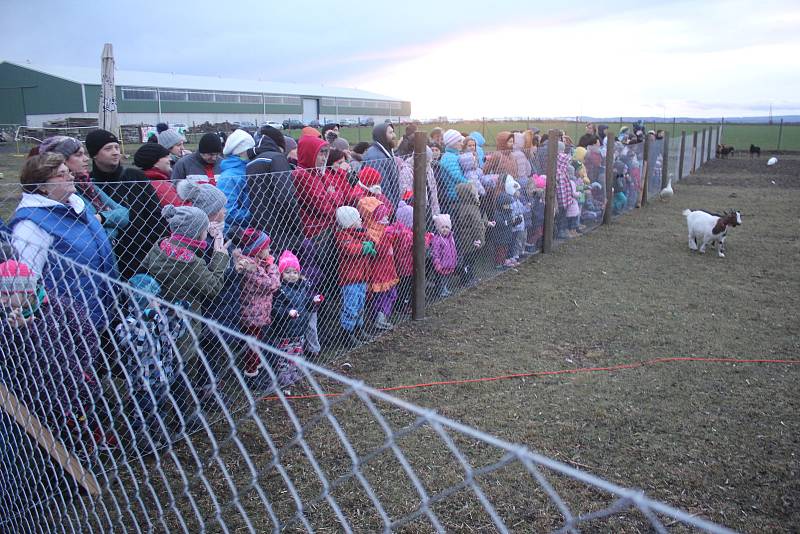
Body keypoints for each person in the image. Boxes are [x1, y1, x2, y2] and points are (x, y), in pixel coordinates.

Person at [0, 259, 111, 454]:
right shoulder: (6, 319)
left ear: (28, 291)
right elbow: (8, 354)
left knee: (73, 439)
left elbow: (89, 339)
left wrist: (77, 368)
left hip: (68, 387)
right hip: (28, 394)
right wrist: (14, 330)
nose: (4, 300)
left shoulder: (63, 308)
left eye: (8, 294)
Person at [10, 153, 118, 329]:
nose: (70, 177)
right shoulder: (31, 225)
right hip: (65, 323)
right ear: (42, 186)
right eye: (61, 174)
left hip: (100, 311)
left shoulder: (78, 208)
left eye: (68, 172)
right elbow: (27, 278)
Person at [85, 129, 166, 280]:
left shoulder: (135, 177)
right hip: (108, 256)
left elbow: (155, 213)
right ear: (94, 154)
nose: (115, 152)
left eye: (116, 147)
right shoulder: (88, 185)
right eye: (108, 148)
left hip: (143, 255)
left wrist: (153, 246)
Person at [37, 136, 130, 241]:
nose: (86, 158)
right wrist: (113, 226)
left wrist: (101, 218)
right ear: (62, 160)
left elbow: (124, 213)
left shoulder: (87, 185)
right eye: (78, 155)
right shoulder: (63, 193)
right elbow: (94, 234)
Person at [230, 228, 280, 388]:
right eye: (267, 248)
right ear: (257, 250)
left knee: (254, 344)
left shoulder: (254, 263)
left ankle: (255, 369)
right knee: (253, 347)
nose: (270, 251)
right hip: (253, 316)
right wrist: (272, 266)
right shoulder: (250, 268)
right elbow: (273, 284)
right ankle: (251, 376)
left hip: (256, 313)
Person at [246, 126, 304, 254]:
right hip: (282, 228)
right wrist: (297, 225)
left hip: (262, 228)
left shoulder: (251, 162)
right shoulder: (277, 158)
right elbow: (285, 196)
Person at [270, 250, 321, 384]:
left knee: (297, 351)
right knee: (285, 353)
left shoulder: (302, 287)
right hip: (285, 330)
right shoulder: (280, 290)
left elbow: (306, 305)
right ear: (281, 274)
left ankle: (293, 371)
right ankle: (283, 374)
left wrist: (313, 301)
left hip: (300, 328)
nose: (292, 275)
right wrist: (287, 313)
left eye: (295, 272)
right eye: (287, 272)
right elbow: (276, 309)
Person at [334, 206, 374, 346]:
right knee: (350, 306)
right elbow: (350, 249)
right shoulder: (342, 235)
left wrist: (368, 243)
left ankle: (359, 328)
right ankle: (347, 333)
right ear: (349, 222)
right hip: (350, 279)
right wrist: (364, 247)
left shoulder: (359, 233)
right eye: (357, 219)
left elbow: (369, 240)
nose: (360, 220)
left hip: (362, 276)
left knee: (360, 303)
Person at [357, 196, 397, 330]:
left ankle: (382, 316)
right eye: (382, 217)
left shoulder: (382, 229)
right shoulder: (370, 233)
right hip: (379, 271)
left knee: (391, 294)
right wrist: (388, 237)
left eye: (386, 216)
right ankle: (379, 319)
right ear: (372, 217)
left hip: (388, 269)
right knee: (381, 296)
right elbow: (379, 251)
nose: (386, 219)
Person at [217, 129, 256, 232]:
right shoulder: (228, 178)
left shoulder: (249, 170)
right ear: (242, 152)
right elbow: (228, 212)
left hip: (249, 229)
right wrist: (257, 215)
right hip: (236, 233)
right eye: (251, 149)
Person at [454, 182, 490, 284]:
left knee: (467, 259)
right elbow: (477, 225)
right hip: (472, 239)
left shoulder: (461, 206)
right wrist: (480, 239)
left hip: (465, 237)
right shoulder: (473, 208)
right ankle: (467, 279)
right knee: (470, 260)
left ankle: (466, 278)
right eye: (475, 194)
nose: (478, 195)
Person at [134, 142, 187, 207]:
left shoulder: (147, 179)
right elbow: (181, 209)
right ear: (154, 162)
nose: (170, 159)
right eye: (165, 156)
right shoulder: (160, 185)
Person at [363, 123, 399, 206]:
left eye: (393, 132)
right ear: (381, 135)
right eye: (390, 133)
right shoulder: (375, 157)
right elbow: (383, 188)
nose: (394, 135)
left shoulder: (384, 152)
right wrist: (392, 208)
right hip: (383, 208)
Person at [438, 130, 469, 212]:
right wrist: (470, 183)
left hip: (458, 194)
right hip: (455, 195)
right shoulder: (449, 158)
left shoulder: (455, 155)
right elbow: (456, 176)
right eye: (459, 141)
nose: (462, 143)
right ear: (452, 143)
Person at [430, 214, 457, 297]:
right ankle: (440, 291)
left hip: (449, 263)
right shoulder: (437, 239)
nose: (445, 229)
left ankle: (445, 289)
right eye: (442, 227)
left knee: (446, 278)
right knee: (441, 279)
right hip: (442, 264)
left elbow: (453, 249)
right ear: (438, 228)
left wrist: (455, 259)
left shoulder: (450, 237)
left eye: (447, 227)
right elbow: (435, 253)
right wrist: (437, 263)